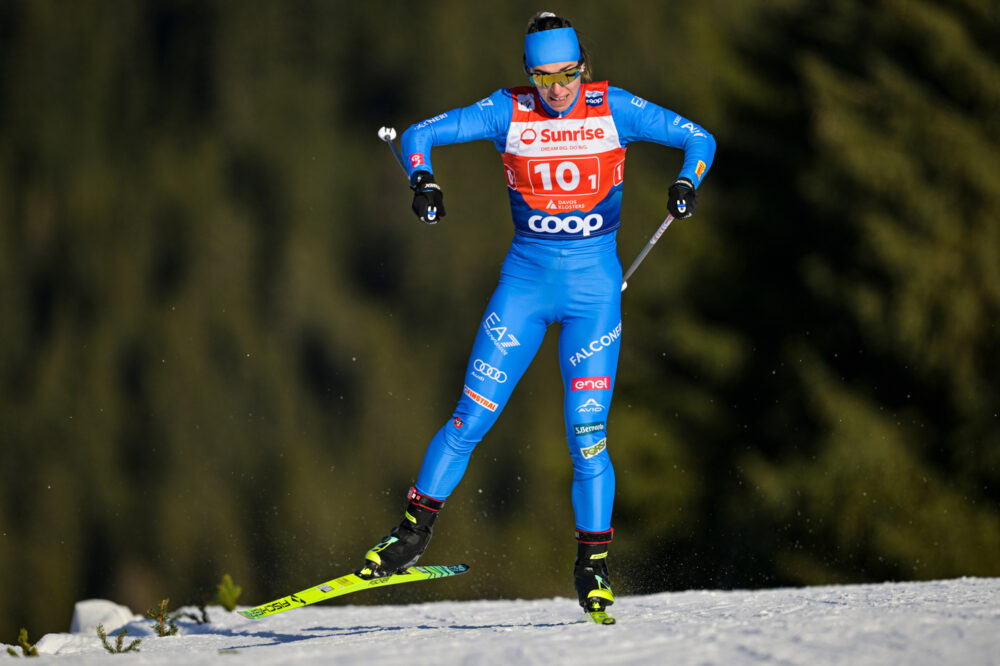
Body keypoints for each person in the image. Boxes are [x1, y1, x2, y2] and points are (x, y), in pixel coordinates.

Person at [359, 11, 716, 615]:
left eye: (568, 74)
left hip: (592, 296)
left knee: (587, 437)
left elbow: (699, 139)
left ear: (585, 67)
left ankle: (594, 567)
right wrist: (423, 182)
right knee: (470, 417)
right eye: (543, 76)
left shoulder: (614, 107)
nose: (557, 89)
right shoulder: (508, 111)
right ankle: (410, 535)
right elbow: (418, 134)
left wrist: (686, 182)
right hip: (523, 289)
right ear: (528, 74)